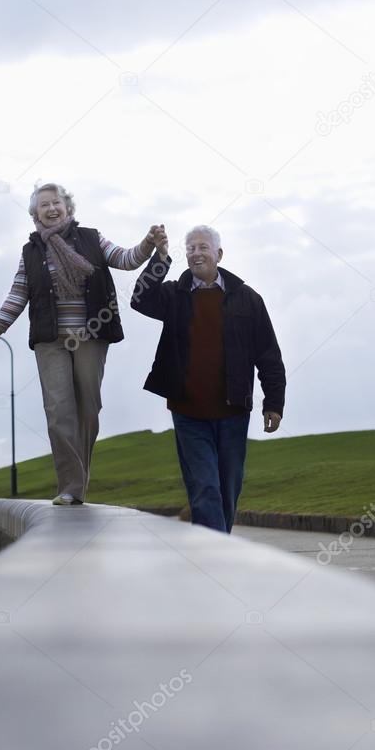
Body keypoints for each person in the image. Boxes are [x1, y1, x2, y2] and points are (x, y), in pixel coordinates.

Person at [0, 182, 164, 506]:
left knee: (88, 408)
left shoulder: (91, 238)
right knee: (59, 412)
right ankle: (71, 486)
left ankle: (78, 479)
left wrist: (147, 243)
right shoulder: (31, 252)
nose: (51, 208)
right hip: (51, 341)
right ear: (35, 214)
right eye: (43, 205)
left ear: (68, 207)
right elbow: (17, 297)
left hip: (91, 335)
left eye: (55, 202)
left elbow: (126, 259)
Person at [131, 224, 285, 533]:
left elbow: (268, 354)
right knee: (204, 488)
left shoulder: (247, 299)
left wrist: (274, 403)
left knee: (228, 491)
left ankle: (218, 548)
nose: (196, 253)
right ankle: (211, 558)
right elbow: (140, 298)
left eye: (202, 247)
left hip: (233, 411)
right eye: (190, 248)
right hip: (189, 413)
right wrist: (160, 258)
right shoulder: (174, 294)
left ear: (219, 254)